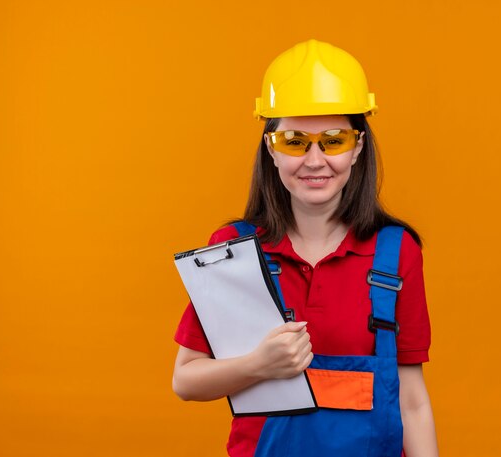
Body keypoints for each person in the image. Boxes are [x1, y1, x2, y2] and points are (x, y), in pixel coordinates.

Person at [172, 39, 438, 457]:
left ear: (358, 148)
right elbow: (185, 380)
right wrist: (258, 365)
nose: (315, 160)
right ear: (271, 150)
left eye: (333, 140)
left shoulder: (396, 252)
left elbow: (413, 400)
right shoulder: (234, 250)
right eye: (295, 141)